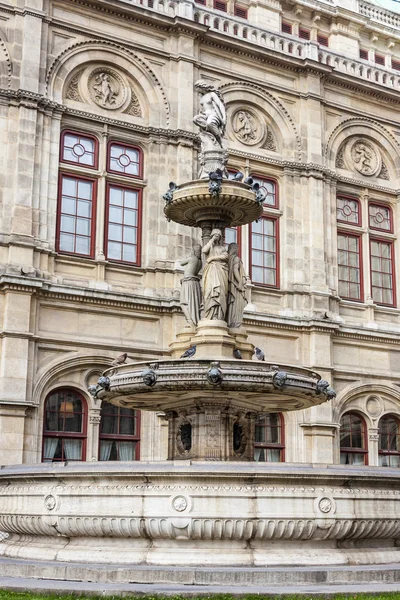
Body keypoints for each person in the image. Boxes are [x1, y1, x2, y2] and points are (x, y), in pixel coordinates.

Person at [201, 229, 229, 321]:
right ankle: (208, 314)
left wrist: (213, 258)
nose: (217, 236)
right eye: (215, 235)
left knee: (220, 292)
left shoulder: (222, 248)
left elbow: (225, 257)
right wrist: (212, 240)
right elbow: (204, 250)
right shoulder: (210, 247)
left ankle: (218, 315)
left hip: (220, 271)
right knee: (209, 291)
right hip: (210, 271)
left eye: (218, 235)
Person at [193, 80, 226, 147]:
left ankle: (219, 139)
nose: (196, 90)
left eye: (197, 88)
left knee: (210, 123)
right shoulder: (202, 98)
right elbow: (202, 108)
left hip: (213, 114)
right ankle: (209, 131)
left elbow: (220, 105)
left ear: (201, 87)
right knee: (195, 119)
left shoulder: (212, 94)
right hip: (205, 115)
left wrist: (224, 117)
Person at [227, 243, 248, 328]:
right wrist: (240, 282)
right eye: (236, 248)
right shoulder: (236, 258)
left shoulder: (228, 259)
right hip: (236, 286)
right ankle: (235, 321)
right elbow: (235, 270)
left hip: (230, 285)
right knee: (236, 304)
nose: (237, 250)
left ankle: (231, 320)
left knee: (232, 304)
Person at [180, 245, 202, 327]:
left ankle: (190, 321)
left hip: (188, 282)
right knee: (193, 303)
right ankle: (194, 320)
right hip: (195, 282)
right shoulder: (200, 262)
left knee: (184, 303)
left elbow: (181, 263)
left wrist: (189, 255)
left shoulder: (191, 258)